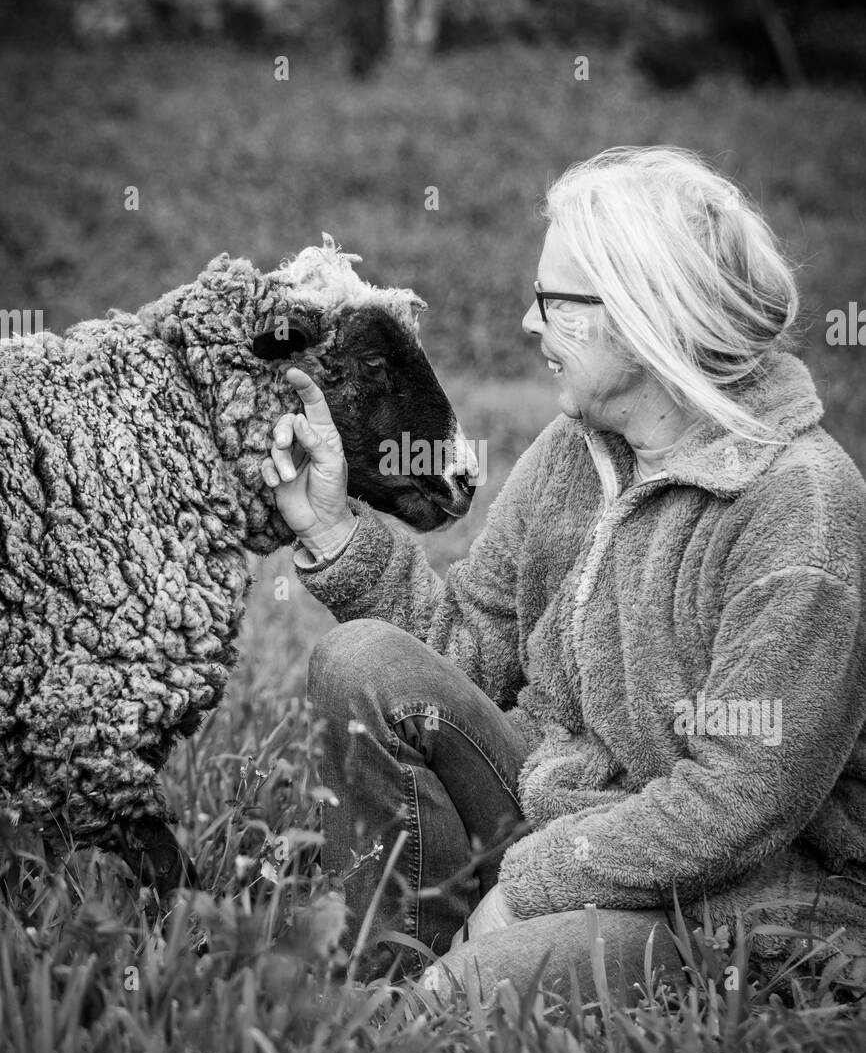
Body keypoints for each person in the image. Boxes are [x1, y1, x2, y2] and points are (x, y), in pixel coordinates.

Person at [260, 146, 866, 999]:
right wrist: (329, 526)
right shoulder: (573, 453)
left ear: (645, 312)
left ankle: (435, 991)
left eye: (554, 302)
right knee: (361, 659)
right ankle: (388, 970)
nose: (528, 323)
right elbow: (466, 651)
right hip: (560, 815)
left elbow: (743, 799)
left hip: (733, 893)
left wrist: (528, 892)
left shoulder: (800, 506)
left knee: (466, 1000)